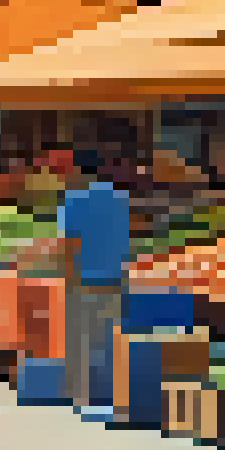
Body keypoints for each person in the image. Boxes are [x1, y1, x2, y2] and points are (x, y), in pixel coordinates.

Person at [54, 149, 131, 414]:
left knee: (79, 341)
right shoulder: (120, 199)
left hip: (83, 281)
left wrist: (67, 279)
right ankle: (114, 396)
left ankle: (80, 397)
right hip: (115, 280)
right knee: (109, 341)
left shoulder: (74, 201)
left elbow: (69, 245)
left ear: (77, 170)